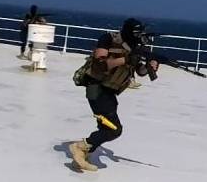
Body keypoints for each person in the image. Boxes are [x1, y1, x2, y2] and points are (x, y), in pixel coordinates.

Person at [68, 18, 159, 172]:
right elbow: (100, 64)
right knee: (114, 129)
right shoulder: (108, 39)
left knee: (105, 127)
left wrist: (151, 67)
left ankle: (82, 156)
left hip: (109, 92)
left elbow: (140, 71)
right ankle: (79, 147)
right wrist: (125, 59)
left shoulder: (133, 48)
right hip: (96, 89)